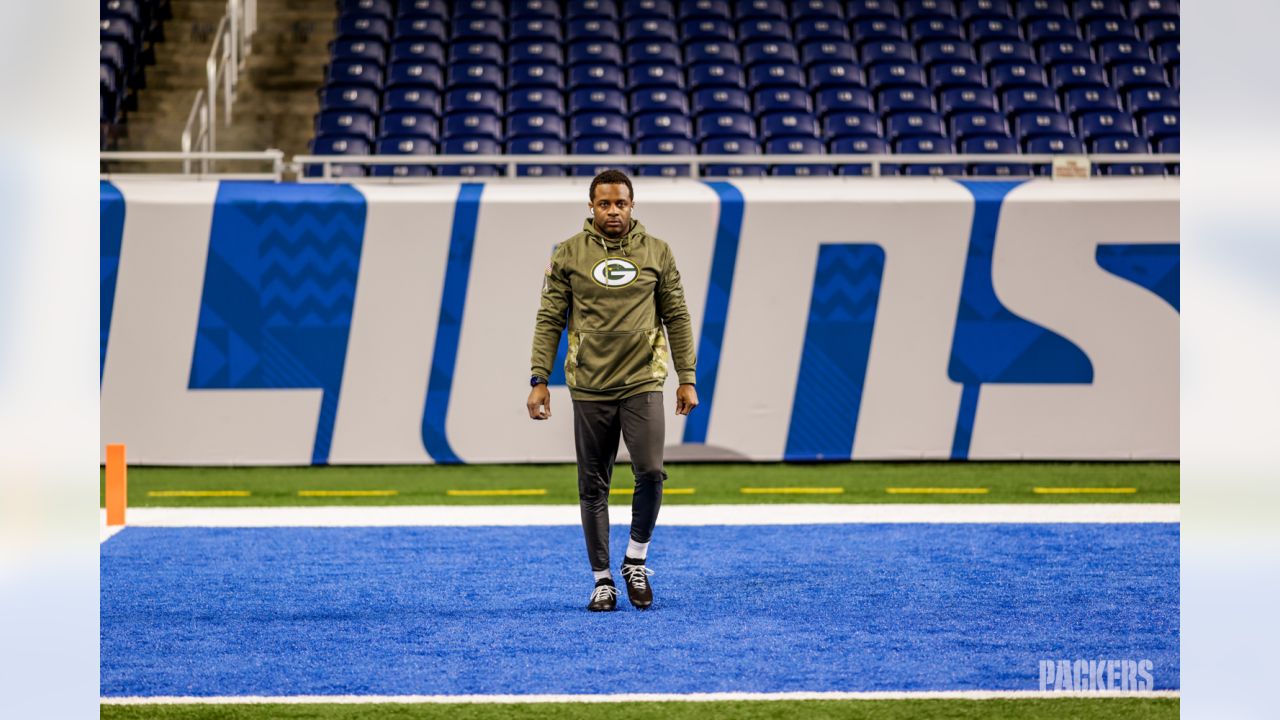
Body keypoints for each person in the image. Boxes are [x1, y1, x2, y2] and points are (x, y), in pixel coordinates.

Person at [526, 169, 698, 612]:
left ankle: (634, 561)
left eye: (620, 203)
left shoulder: (657, 252)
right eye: (604, 204)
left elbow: (676, 317)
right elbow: (549, 320)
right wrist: (539, 379)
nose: (613, 211)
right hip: (589, 387)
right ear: (592, 207)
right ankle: (602, 579)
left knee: (651, 473)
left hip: (642, 382)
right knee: (592, 486)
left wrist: (687, 377)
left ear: (632, 205)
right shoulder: (568, 254)